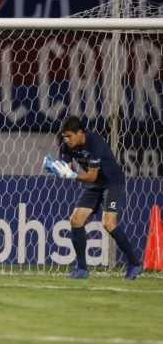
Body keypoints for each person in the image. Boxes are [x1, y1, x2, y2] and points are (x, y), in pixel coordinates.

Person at [43, 116, 142, 280]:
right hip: (94, 185)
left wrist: (72, 175)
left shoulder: (95, 143)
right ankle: (81, 269)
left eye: (69, 136)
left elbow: (91, 175)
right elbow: (67, 170)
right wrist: (55, 169)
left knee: (108, 224)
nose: (66, 140)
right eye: (64, 136)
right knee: (75, 220)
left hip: (112, 183)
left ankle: (134, 263)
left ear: (80, 133)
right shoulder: (68, 145)